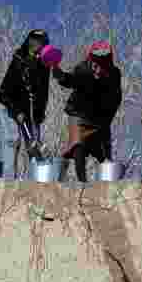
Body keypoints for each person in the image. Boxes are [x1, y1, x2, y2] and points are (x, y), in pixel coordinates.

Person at [53, 41, 123, 182]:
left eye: (102, 68)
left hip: (101, 118)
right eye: (95, 66)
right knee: (78, 145)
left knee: (105, 156)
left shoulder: (114, 75)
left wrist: (106, 121)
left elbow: (116, 100)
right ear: (91, 62)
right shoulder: (82, 69)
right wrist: (60, 76)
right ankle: (82, 183)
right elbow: (71, 80)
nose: (98, 71)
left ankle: (109, 185)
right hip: (79, 114)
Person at [0, 29, 52, 180]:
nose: (37, 45)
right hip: (10, 104)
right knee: (13, 140)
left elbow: (43, 94)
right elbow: (3, 93)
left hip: (30, 110)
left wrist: (38, 116)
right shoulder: (19, 60)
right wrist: (16, 112)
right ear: (29, 42)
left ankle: (37, 181)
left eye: (41, 42)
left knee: (34, 145)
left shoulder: (45, 67)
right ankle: (8, 181)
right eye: (34, 40)